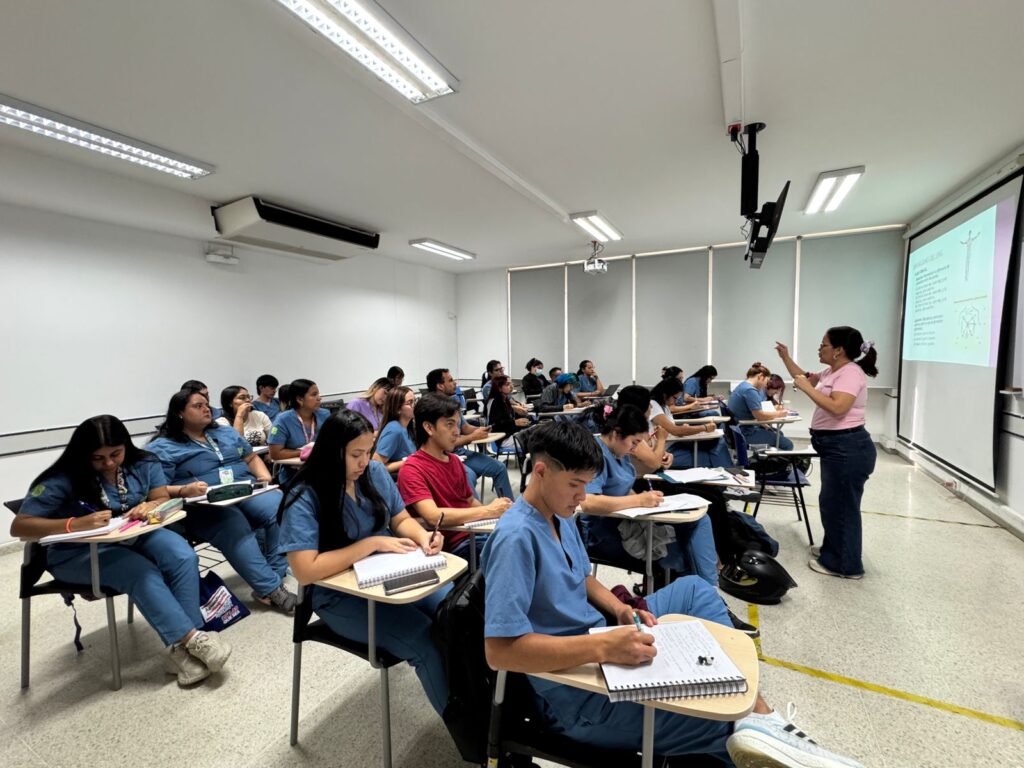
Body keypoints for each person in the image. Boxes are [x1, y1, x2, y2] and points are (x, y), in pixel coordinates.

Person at [481, 419, 863, 767]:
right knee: (728, 728)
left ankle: (754, 711)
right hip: (577, 696)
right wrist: (602, 648)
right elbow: (500, 652)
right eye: (575, 485)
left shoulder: (558, 514)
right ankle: (760, 725)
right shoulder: (516, 538)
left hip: (597, 641)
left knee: (695, 589)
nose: (583, 497)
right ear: (542, 471)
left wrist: (617, 609)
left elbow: (580, 577)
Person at [10, 415, 232, 686]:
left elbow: (160, 496)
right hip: (76, 552)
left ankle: (186, 644)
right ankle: (193, 641)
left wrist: (150, 506)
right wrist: (73, 523)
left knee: (182, 555)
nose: (109, 463)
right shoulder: (63, 477)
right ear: (83, 455)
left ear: (126, 445)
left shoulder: (143, 462)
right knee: (142, 572)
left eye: (115, 454)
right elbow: (20, 526)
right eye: (98, 458)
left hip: (131, 535)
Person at [277, 410, 450, 715]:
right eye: (356, 454)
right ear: (332, 452)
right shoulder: (305, 495)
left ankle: (480, 703)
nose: (364, 462)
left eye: (368, 451)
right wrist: (370, 544)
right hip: (340, 596)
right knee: (424, 639)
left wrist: (424, 537)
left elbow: (400, 519)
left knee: (455, 614)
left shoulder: (374, 472)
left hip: (390, 572)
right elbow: (305, 569)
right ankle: (469, 735)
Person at [148, 390, 297, 613]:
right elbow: (155, 490)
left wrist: (264, 476)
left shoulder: (226, 433)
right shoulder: (163, 446)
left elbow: (250, 457)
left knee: (280, 506)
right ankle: (271, 589)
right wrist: (183, 489)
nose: (206, 409)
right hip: (201, 504)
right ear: (179, 413)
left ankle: (273, 575)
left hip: (244, 491)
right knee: (232, 523)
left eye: (207, 404)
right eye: (198, 406)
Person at [579, 403, 719, 588]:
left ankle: (708, 594)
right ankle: (705, 597)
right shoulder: (595, 455)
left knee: (700, 520)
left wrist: (643, 499)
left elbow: (620, 487)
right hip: (603, 533)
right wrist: (638, 500)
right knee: (680, 553)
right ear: (616, 433)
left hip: (628, 522)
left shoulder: (619, 453)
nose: (635, 448)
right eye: (635, 442)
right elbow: (588, 502)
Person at [775, 327, 878, 579]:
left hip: (848, 448)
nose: (819, 348)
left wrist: (807, 389)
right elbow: (804, 377)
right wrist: (786, 357)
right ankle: (834, 549)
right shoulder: (833, 371)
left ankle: (845, 565)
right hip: (838, 448)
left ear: (838, 350)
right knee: (832, 503)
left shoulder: (850, 373)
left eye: (824, 345)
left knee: (841, 506)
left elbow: (838, 407)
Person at [398, 394, 512, 561]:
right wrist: (488, 511)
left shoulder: (454, 461)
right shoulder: (412, 469)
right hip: (454, 547)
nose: (456, 432)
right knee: (513, 555)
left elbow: (470, 501)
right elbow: (433, 516)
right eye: (449, 424)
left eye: (457, 424)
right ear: (429, 428)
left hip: (474, 535)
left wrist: (495, 518)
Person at [425, 368, 516, 500]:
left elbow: (465, 427)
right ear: (440, 386)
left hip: (460, 452)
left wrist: (481, 430)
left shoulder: (452, 403)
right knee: (469, 476)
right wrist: (472, 437)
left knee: (500, 468)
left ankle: (509, 509)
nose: (455, 383)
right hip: (444, 455)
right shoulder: (433, 408)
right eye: (450, 380)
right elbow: (445, 443)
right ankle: (476, 515)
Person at [649, 378, 732, 469]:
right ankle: (728, 472)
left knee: (718, 443)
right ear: (665, 394)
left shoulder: (664, 406)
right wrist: (704, 427)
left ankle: (728, 472)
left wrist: (683, 427)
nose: (675, 402)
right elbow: (675, 431)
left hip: (674, 445)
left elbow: (672, 428)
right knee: (713, 454)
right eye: (675, 398)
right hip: (668, 450)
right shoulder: (653, 406)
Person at [727, 362, 793, 451]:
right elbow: (760, 416)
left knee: (779, 435)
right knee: (788, 444)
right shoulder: (750, 390)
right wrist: (780, 414)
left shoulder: (742, 386)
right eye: (766, 381)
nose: (766, 385)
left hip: (739, 430)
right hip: (746, 433)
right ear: (761, 376)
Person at [268, 379, 329, 470]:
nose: (319, 398)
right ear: (300, 399)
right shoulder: (283, 420)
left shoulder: (324, 414)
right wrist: (305, 452)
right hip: (294, 473)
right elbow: (275, 454)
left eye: (318, 394)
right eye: (314, 394)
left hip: (324, 467)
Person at [372, 386, 417, 473]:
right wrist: (408, 461)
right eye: (410, 402)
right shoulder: (394, 429)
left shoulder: (408, 426)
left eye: (415, 401)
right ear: (397, 409)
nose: (414, 405)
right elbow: (375, 467)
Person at [484, 374, 531, 441]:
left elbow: (509, 418)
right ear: (499, 388)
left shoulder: (505, 400)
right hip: (501, 439)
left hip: (511, 433)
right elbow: (494, 426)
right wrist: (514, 422)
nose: (511, 386)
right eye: (507, 385)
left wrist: (522, 416)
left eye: (511, 384)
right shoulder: (493, 402)